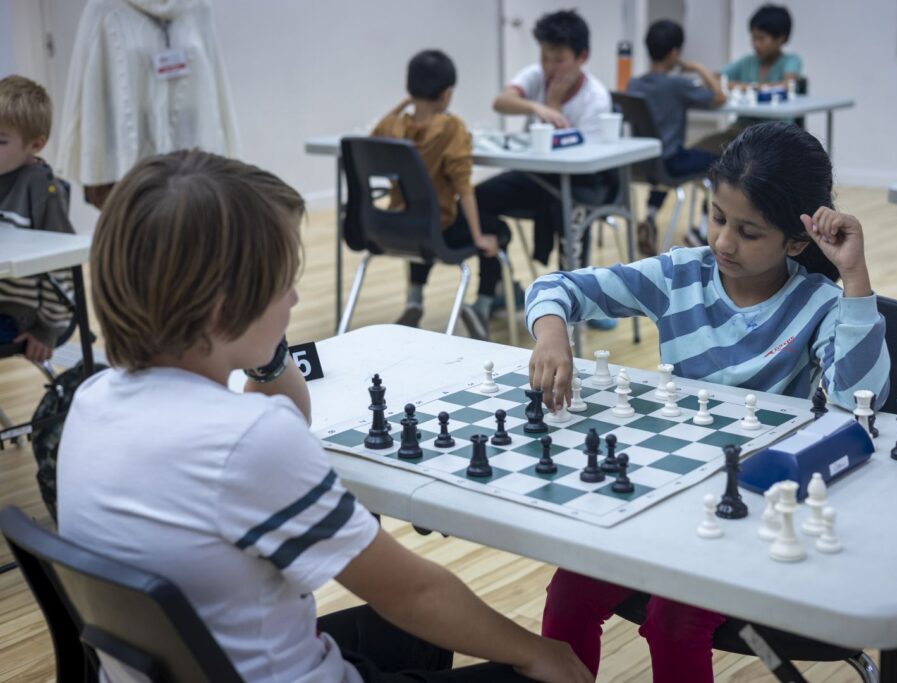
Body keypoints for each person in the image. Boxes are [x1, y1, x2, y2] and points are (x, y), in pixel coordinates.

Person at [56, 149, 592, 683]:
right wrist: (538, 652)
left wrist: (264, 351)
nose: (293, 298)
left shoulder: (92, 400)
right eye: (282, 283)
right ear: (224, 310)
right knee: (537, 668)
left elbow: (279, 422)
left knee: (412, 639)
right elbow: (413, 593)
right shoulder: (247, 442)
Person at [524, 122, 890, 682]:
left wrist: (855, 279)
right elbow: (557, 286)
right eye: (718, 218)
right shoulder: (680, 276)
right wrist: (552, 332)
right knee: (571, 590)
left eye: (748, 231)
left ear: (796, 240)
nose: (722, 242)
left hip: (754, 505)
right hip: (661, 493)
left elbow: (856, 400)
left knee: (675, 619)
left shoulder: (817, 303)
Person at [476, 8, 616, 330]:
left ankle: (582, 298)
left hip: (581, 179)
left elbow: (575, 159)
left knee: (569, 209)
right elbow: (501, 101)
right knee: (477, 199)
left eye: (559, 59)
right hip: (536, 175)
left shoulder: (596, 98)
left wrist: (551, 105)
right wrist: (541, 105)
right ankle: (496, 287)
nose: (550, 67)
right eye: (545, 58)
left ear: (582, 57)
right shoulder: (536, 76)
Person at [372, 50, 510, 340]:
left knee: (418, 214)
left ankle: (414, 301)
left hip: (397, 230)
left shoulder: (393, 127)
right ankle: (482, 305)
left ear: (409, 89)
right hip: (441, 233)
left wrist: (407, 101)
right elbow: (464, 188)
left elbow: (374, 136)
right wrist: (478, 236)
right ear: (447, 94)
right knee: (498, 229)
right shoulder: (452, 128)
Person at [55, 0, 240, 210]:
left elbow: (214, 86)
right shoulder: (103, 9)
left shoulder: (198, 7)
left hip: (196, 166)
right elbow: (90, 92)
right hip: (129, 168)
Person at [626, 19, 725, 256]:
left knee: (668, 158)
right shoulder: (677, 85)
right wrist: (698, 68)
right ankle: (701, 229)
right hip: (670, 163)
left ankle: (649, 216)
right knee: (725, 162)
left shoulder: (633, 83)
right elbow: (719, 97)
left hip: (639, 165)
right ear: (674, 52)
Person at [0, 75, 75, 362]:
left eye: (1, 141)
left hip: (23, 316)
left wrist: (48, 329)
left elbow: (64, 265)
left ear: (36, 144)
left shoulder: (42, 188)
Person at [692, 4, 802, 158]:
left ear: (780, 38)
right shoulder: (747, 62)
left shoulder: (791, 61)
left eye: (761, 39)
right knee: (698, 150)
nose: (755, 44)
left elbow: (784, 86)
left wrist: (735, 86)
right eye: (753, 38)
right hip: (741, 129)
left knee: (742, 160)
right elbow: (713, 79)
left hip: (775, 132)